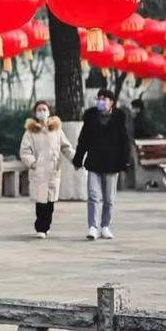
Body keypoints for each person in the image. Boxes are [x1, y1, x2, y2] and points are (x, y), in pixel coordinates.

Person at [74, 89, 131, 240]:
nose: (101, 101)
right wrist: (78, 159)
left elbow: (125, 142)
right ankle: (93, 226)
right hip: (94, 162)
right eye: (99, 98)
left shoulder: (119, 118)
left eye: (104, 99)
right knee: (93, 196)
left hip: (112, 163)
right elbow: (83, 140)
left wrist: (125, 161)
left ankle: (105, 226)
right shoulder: (91, 117)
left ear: (111, 102)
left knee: (109, 199)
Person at [19, 101, 75, 238]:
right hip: (39, 171)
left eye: (44, 109)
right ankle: (40, 228)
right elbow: (25, 151)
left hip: (53, 171)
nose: (42, 112)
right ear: (35, 113)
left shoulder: (56, 130)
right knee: (41, 202)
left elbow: (66, 147)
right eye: (39, 109)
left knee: (50, 203)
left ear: (49, 112)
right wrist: (33, 164)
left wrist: (76, 159)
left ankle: (47, 225)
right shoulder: (30, 132)